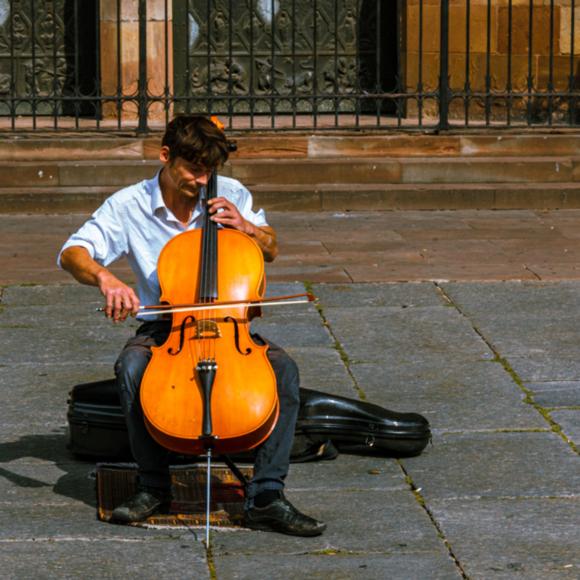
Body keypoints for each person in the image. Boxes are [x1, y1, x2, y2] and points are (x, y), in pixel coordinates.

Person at [58, 115, 325, 537]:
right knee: (130, 368)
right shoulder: (129, 204)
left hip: (228, 324)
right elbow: (72, 252)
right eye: (194, 169)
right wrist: (106, 279)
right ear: (165, 156)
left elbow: (271, 248)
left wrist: (247, 227)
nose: (203, 181)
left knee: (284, 372)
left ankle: (268, 495)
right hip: (166, 328)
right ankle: (153, 485)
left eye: (210, 171)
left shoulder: (230, 193)